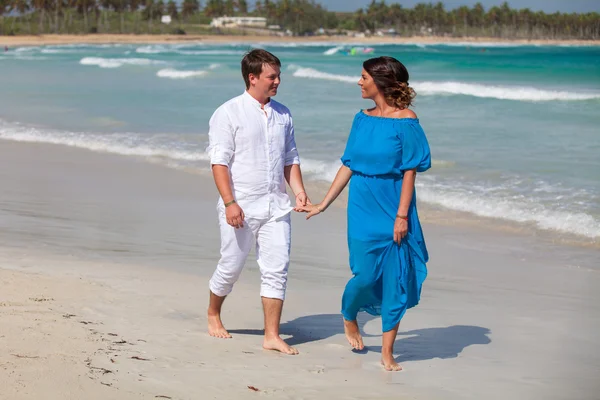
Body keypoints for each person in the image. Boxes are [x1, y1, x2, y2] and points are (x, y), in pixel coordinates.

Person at [299, 56, 431, 371]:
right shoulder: (361, 119)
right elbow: (349, 164)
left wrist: (402, 216)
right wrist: (323, 203)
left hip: (394, 207)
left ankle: (387, 352)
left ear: (381, 81)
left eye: (363, 77)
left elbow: (410, 172)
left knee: (396, 278)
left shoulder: (407, 121)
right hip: (361, 205)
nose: (359, 82)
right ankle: (349, 315)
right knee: (366, 274)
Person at [206, 49, 310, 355]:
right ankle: (213, 313)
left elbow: (290, 158)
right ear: (253, 78)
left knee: (277, 268)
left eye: (278, 76)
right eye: (272, 76)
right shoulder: (228, 113)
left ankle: (272, 335)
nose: (278, 81)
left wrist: (299, 191)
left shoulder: (284, 113)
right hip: (241, 205)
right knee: (231, 266)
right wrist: (229, 202)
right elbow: (219, 163)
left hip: (276, 206)